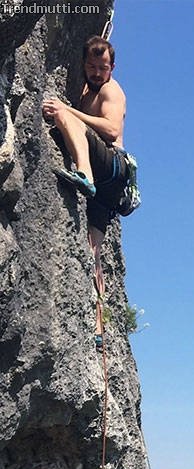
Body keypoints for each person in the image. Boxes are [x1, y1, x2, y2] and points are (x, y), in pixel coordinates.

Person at [42, 36, 128, 351]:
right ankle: (98, 328)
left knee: (64, 116)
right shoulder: (85, 92)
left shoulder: (111, 90)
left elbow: (112, 130)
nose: (96, 72)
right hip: (108, 190)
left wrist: (67, 110)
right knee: (94, 249)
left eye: (102, 67)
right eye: (92, 66)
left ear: (112, 68)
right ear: (84, 64)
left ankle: (84, 173)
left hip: (112, 166)